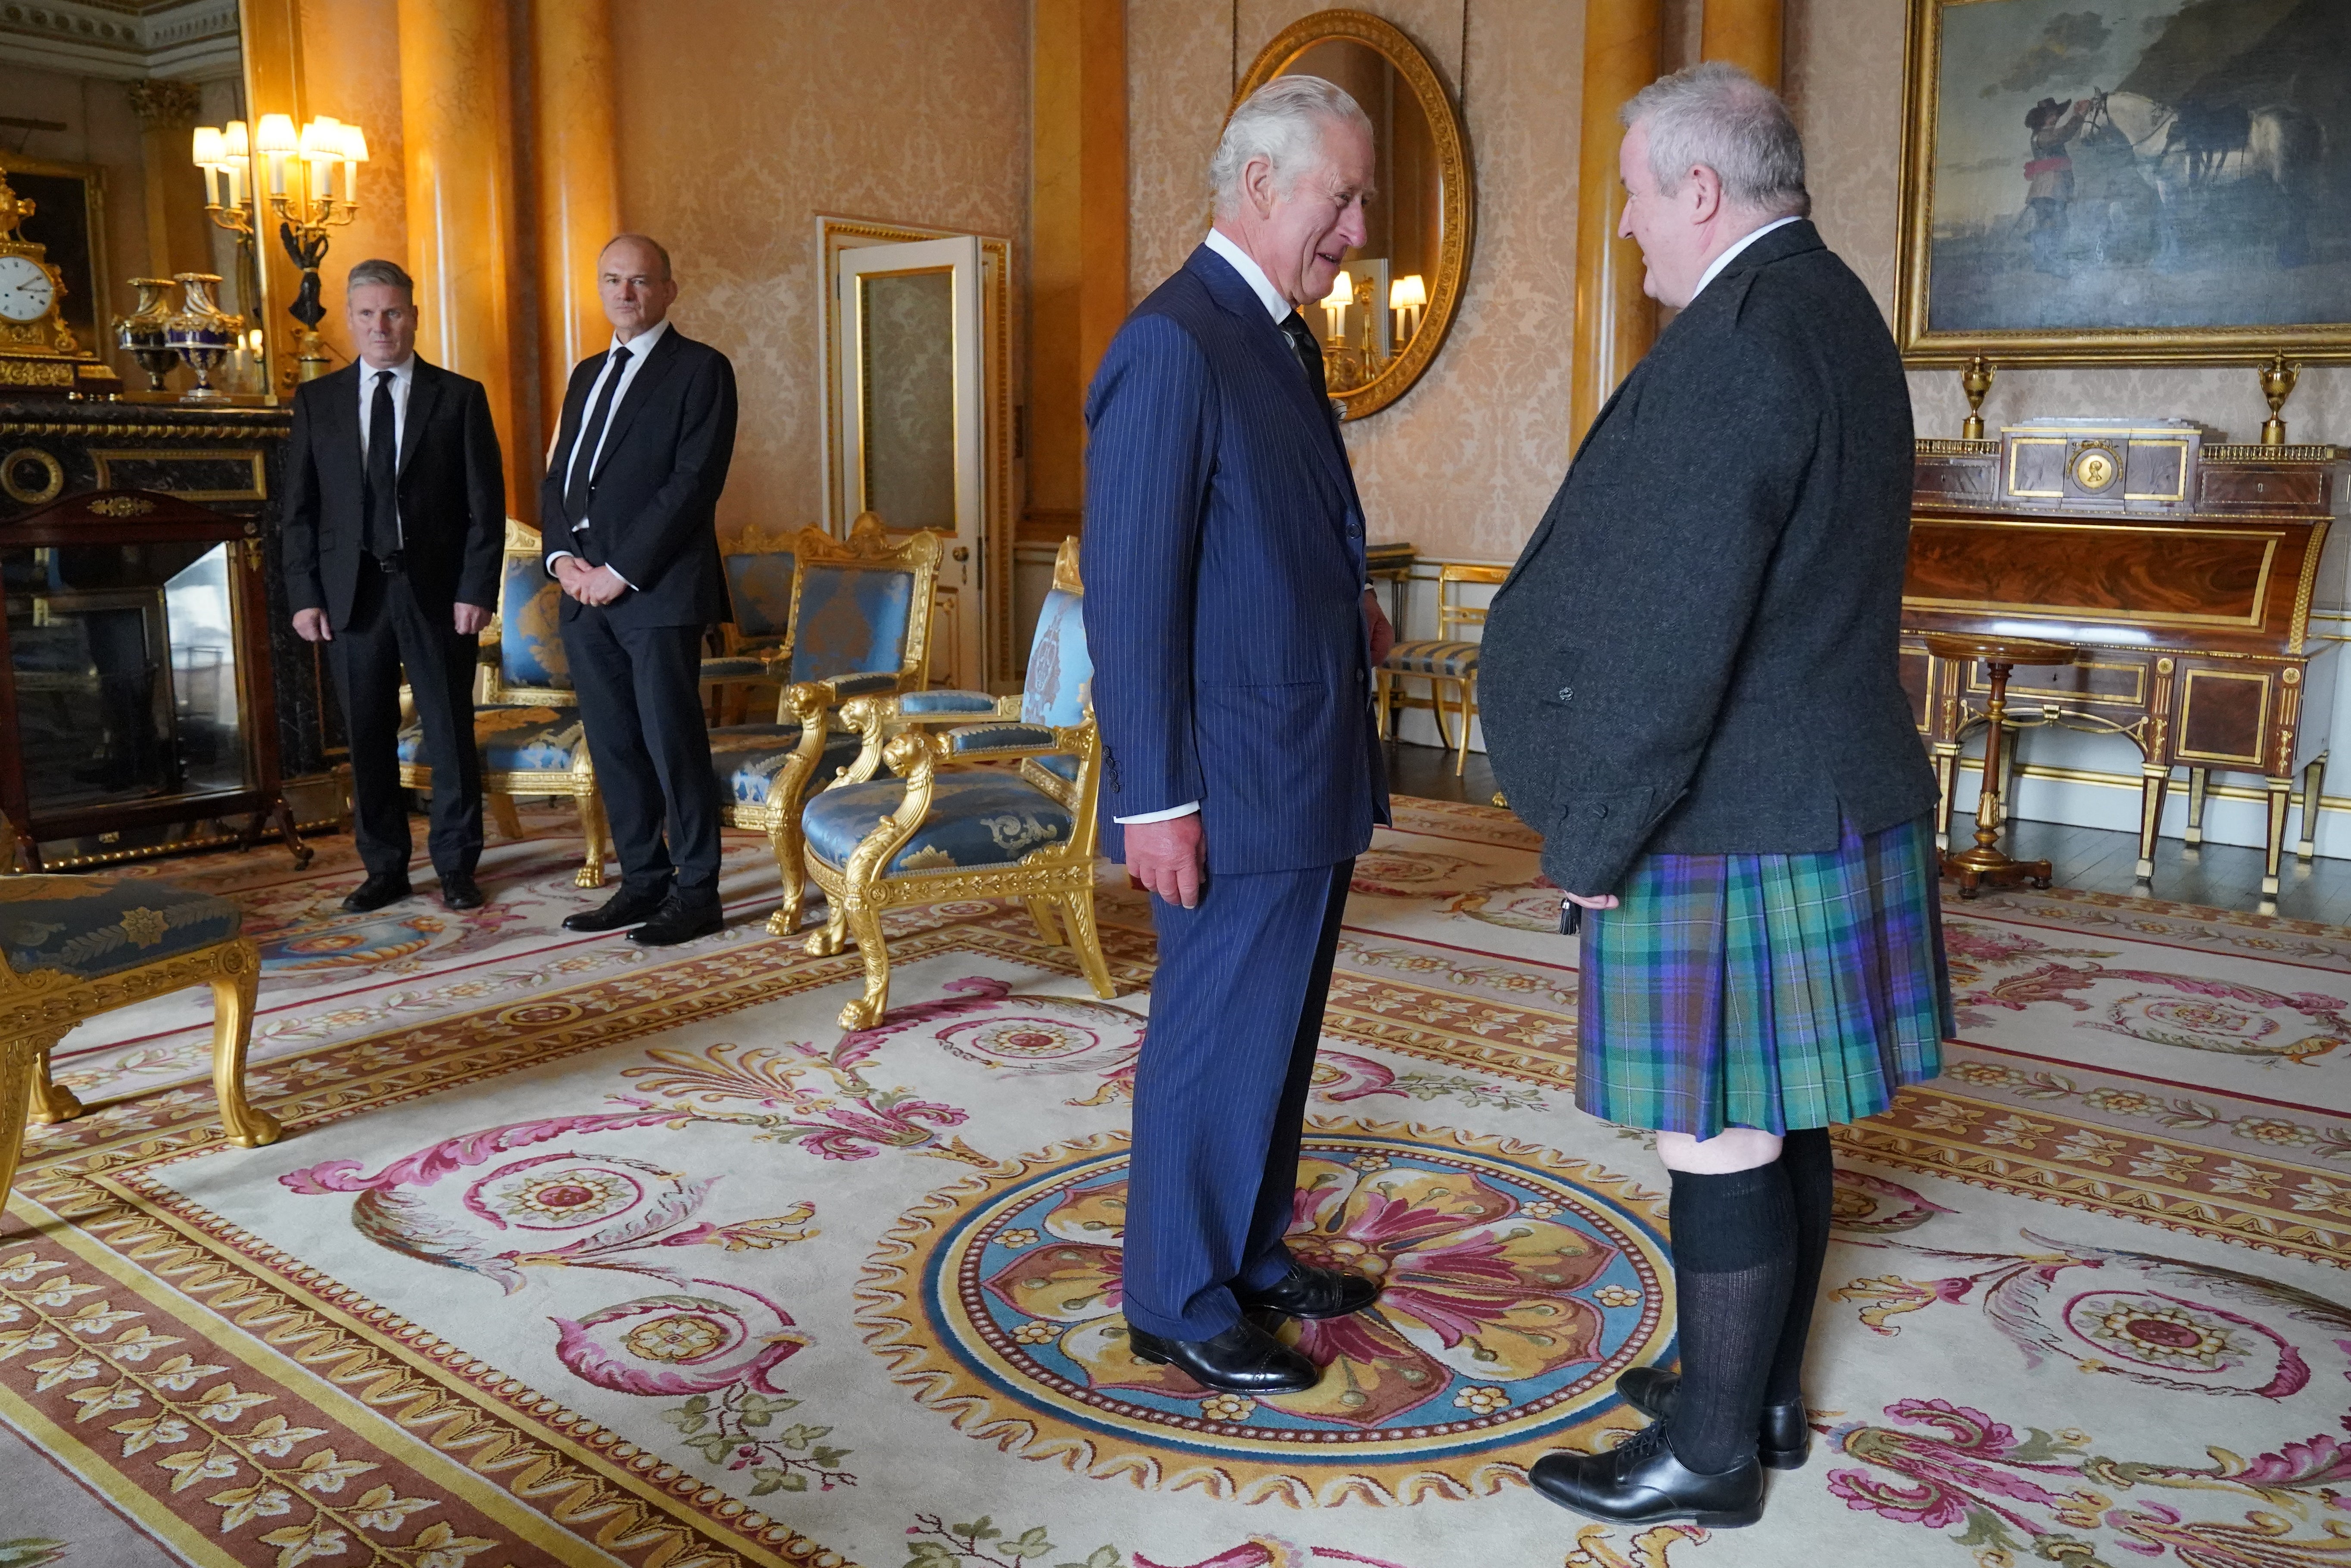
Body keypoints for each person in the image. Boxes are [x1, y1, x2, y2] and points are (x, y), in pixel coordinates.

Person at [1480, 62, 1952, 1529]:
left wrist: (1595, 831)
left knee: (1714, 1127)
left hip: (1731, 806)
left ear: (1697, 189)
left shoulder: (1744, 335)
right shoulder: (1832, 305)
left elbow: (1669, 628)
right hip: (1816, 779)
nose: (1624, 227)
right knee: (1781, 1110)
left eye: (1630, 193)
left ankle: (1707, 1452)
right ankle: (1748, 1390)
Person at [1082, 75, 1399, 1396]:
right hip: (1230, 779)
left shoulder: (1275, 335)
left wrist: (1348, 610)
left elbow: (1259, 539)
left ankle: (1248, 1251)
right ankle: (1176, 1295)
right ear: (1262, 185)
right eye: (1343, 196)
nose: (1359, 228)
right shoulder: (1176, 342)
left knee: (1275, 1031)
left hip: (1306, 756)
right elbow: (1135, 589)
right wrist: (1153, 796)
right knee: (1214, 1034)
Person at [283, 258, 505, 915]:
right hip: (350, 595)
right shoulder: (317, 401)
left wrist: (477, 589)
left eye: (393, 312)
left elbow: (485, 509)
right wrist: (304, 594)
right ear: (349, 320)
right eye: (366, 314)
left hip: (436, 591)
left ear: (413, 315)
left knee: (449, 730)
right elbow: (297, 509)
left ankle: (458, 866)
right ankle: (385, 869)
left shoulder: (459, 396)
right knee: (368, 737)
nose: (381, 325)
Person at [543, 233, 739, 946]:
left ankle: (696, 891)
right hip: (582, 591)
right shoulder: (587, 372)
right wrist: (564, 559)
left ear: (668, 290)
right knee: (616, 743)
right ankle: (643, 881)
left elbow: (692, 485)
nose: (626, 294)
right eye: (613, 280)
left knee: (669, 741)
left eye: (641, 282)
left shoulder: (701, 370)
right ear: (600, 288)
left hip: (654, 591)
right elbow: (558, 478)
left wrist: (617, 572)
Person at [2024, 96, 2092, 276]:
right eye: (2051, 116)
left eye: (2056, 115)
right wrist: (2079, 115)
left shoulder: (2043, 135)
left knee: (2047, 224)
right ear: (2043, 119)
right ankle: (2053, 264)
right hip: (2050, 189)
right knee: (2057, 225)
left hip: (2049, 188)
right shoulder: (2044, 136)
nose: (2055, 119)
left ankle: (2043, 262)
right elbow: (2065, 133)